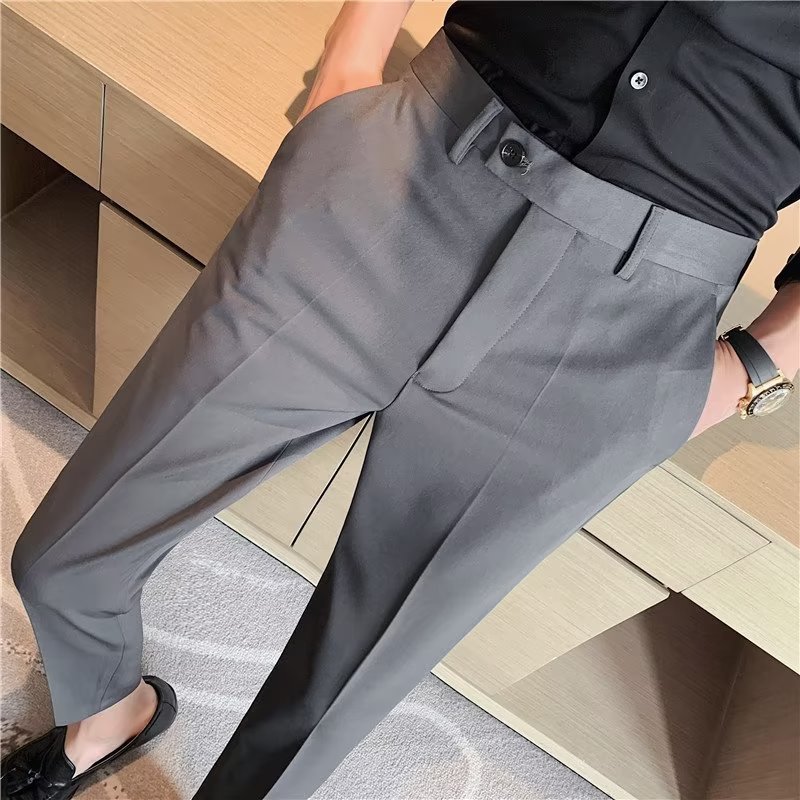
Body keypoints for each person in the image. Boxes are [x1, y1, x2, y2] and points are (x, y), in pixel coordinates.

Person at [2, 1, 799, 798]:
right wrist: (350, 58)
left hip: (627, 323)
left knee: (336, 695)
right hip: (417, 159)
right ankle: (109, 712)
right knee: (65, 558)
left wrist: (755, 366)